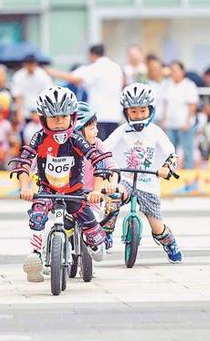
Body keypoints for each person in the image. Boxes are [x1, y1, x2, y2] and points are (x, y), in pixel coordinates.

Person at [10, 86, 111, 282]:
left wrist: (97, 190)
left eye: (64, 117)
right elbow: (24, 163)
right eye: (53, 117)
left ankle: (92, 244)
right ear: (43, 118)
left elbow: (98, 162)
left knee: (97, 246)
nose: (59, 122)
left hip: (75, 193)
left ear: (72, 117)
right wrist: (25, 187)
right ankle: (36, 257)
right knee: (37, 218)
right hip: (47, 191)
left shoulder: (76, 139)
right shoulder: (38, 138)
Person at [102, 83, 183, 263]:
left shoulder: (155, 132)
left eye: (143, 111)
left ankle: (169, 242)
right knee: (112, 198)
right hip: (126, 179)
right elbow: (103, 149)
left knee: (157, 228)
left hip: (149, 183)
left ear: (151, 110)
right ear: (126, 112)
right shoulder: (121, 131)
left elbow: (172, 154)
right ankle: (106, 234)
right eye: (133, 112)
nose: (138, 116)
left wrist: (167, 168)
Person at [48, 44, 123, 139]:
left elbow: (75, 78)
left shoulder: (96, 67)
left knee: (100, 146)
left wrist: (52, 72)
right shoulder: (116, 67)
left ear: (92, 54)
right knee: (112, 146)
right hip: (115, 115)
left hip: (100, 114)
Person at [74, 101, 118, 249]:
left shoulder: (97, 144)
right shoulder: (65, 146)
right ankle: (44, 254)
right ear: (78, 131)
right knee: (53, 226)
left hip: (91, 197)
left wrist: (112, 183)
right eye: (92, 128)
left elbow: (111, 166)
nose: (97, 131)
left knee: (97, 249)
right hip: (68, 198)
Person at [161, 60, 199, 169]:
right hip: (170, 124)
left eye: (176, 71)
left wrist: (187, 121)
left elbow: (192, 105)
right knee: (170, 150)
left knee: (187, 150)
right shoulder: (167, 84)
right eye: (172, 71)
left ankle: (188, 172)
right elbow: (165, 103)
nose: (174, 73)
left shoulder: (189, 85)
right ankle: (170, 171)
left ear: (182, 71)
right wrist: (164, 120)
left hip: (184, 124)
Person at [12, 54, 53, 126]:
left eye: (32, 63)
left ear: (36, 64)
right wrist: (19, 113)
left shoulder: (43, 75)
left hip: (40, 111)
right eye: (28, 64)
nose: (30, 66)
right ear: (25, 64)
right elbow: (18, 96)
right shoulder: (18, 76)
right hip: (25, 112)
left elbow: (48, 94)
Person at [146, 54, 169, 125]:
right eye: (151, 69)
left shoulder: (168, 83)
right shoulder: (147, 84)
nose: (154, 71)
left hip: (166, 120)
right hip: (151, 119)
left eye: (156, 68)